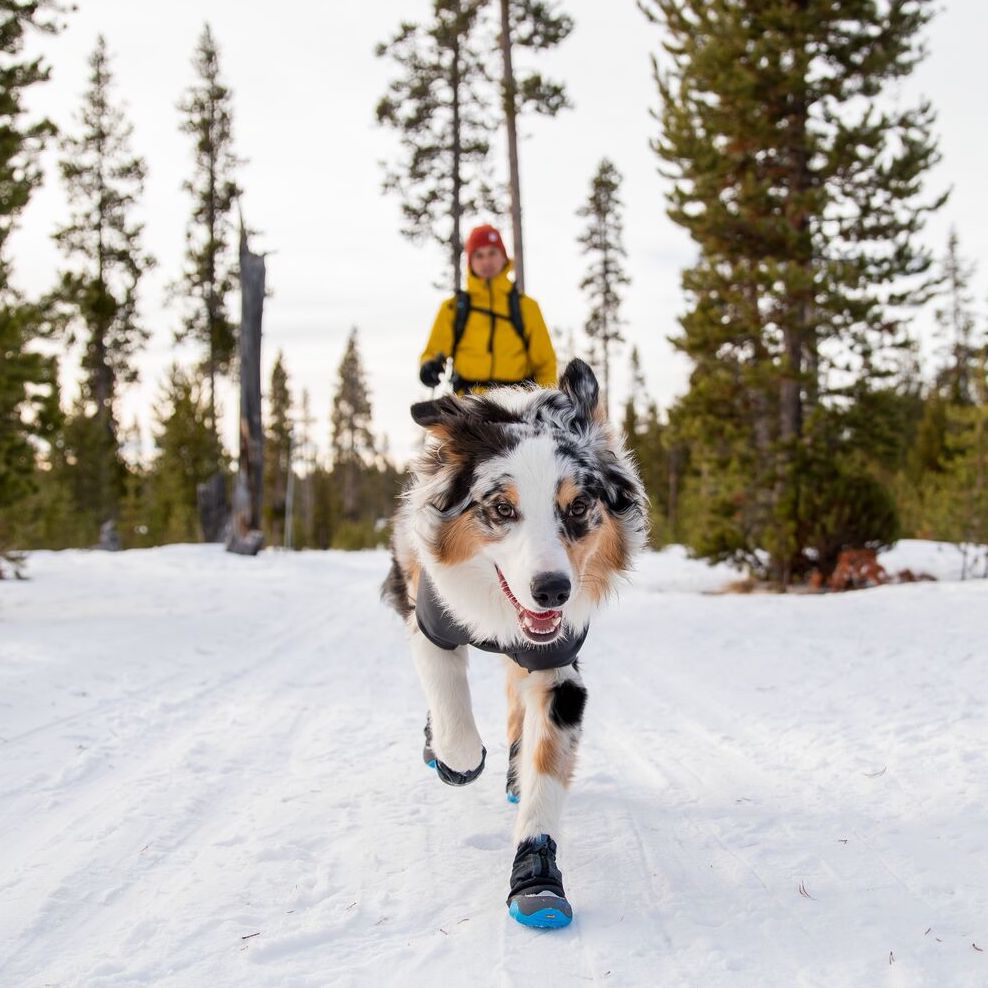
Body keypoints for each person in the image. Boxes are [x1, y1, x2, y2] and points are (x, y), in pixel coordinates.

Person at [419, 224, 557, 393]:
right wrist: (428, 367)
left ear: (503, 257)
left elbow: (545, 365)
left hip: (516, 404)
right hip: (468, 403)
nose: (486, 261)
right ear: (470, 262)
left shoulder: (527, 307)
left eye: (492, 253)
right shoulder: (452, 308)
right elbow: (432, 352)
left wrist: (546, 401)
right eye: (479, 255)